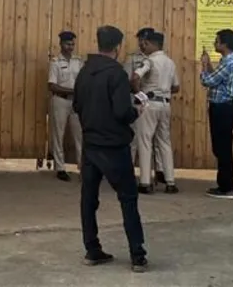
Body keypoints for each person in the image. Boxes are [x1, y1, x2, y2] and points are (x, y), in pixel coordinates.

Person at [73, 25, 148, 273]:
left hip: (90, 143)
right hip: (114, 145)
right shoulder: (116, 74)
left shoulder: (84, 71)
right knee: (127, 198)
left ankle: (92, 249)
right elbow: (121, 112)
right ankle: (137, 255)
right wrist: (136, 111)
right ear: (117, 47)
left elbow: (77, 105)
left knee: (88, 198)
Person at [131, 31, 180, 194]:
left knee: (145, 141)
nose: (142, 46)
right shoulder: (170, 62)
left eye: (145, 43)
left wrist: (140, 94)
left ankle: (145, 181)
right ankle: (170, 181)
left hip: (149, 103)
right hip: (165, 103)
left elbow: (135, 77)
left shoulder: (149, 61)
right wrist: (163, 90)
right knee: (164, 142)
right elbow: (176, 87)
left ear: (152, 44)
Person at [200, 29, 233, 200]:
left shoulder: (228, 63)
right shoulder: (229, 61)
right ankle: (228, 184)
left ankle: (226, 187)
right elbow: (217, 79)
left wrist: (204, 66)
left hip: (221, 108)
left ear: (224, 44)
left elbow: (207, 81)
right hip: (226, 107)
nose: (214, 44)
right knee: (223, 147)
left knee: (222, 148)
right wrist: (210, 65)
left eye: (217, 41)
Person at [126, 27, 165, 186]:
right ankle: (129, 171)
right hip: (138, 101)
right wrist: (139, 94)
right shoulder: (133, 58)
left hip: (155, 101)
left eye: (145, 41)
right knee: (135, 138)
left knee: (157, 139)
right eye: (141, 40)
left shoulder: (160, 58)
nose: (142, 44)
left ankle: (159, 172)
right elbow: (128, 79)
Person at [49, 31, 83, 181]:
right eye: (68, 44)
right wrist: (72, 91)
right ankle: (60, 167)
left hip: (76, 101)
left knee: (80, 134)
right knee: (59, 134)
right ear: (61, 44)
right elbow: (52, 85)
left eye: (72, 44)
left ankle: (83, 167)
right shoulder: (55, 62)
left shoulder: (78, 61)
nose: (70, 47)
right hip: (60, 100)